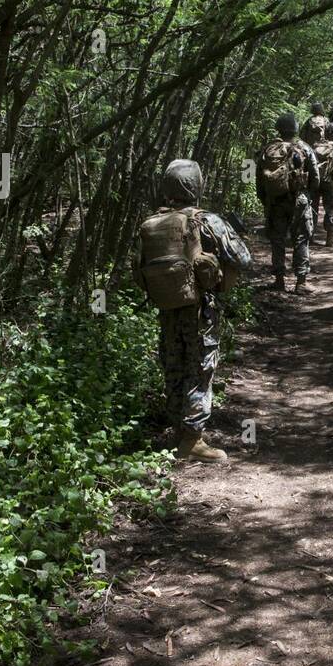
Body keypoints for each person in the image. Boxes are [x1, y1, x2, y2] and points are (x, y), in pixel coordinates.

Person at [135, 159, 252, 462]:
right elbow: (243, 258)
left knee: (173, 362)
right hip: (201, 310)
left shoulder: (152, 224)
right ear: (196, 186)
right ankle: (192, 439)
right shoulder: (206, 220)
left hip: (168, 307)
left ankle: (178, 430)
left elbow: (138, 270)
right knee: (200, 368)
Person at [256, 112, 317, 293]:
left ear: (279, 129)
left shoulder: (267, 149)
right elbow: (315, 176)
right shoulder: (304, 148)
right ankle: (301, 282)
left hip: (276, 201)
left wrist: (265, 199)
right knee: (301, 239)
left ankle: (279, 280)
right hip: (299, 199)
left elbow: (258, 179)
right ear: (296, 129)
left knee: (278, 239)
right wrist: (308, 195)